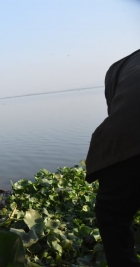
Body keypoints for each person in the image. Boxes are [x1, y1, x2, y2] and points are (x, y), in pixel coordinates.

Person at [86, 49, 140, 267]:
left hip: (129, 138)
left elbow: (116, 113)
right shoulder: (125, 67)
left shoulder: (119, 67)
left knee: (112, 215)